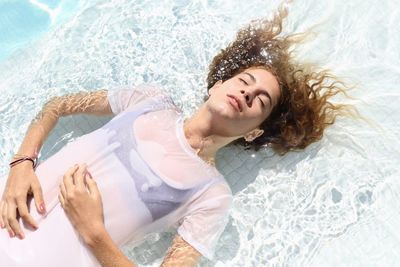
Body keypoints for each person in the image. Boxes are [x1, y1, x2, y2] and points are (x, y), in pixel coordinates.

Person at [0, 6, 350, 267]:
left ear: (255, 131)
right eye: (244, 81)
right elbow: (57, 105)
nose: (247, 93)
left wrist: (93, 232)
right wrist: (22, 162)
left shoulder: (211, 196)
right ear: (217, 84)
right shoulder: (149, 100)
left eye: (261, 100)